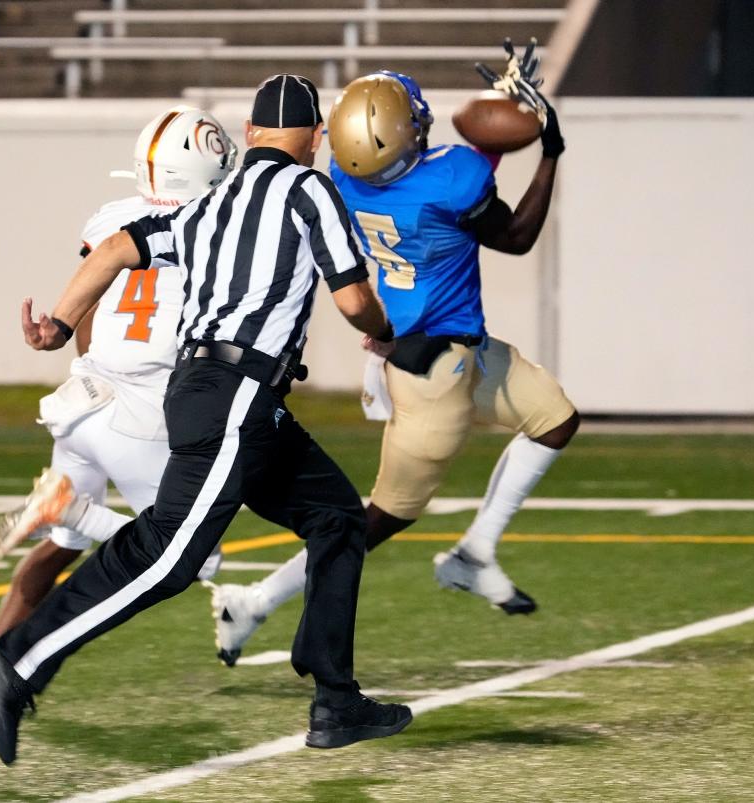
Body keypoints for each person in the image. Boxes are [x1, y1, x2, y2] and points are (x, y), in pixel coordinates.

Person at [0, 74, 412, 766]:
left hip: (226, 395)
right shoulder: (308, 189)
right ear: (314, 135)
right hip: (237, 388)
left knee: (336, 517)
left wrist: (61, 322)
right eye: (320, 134)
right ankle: (19, 662)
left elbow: (119, 246)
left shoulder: (213, 203)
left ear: (251, 135)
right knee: (171, 555)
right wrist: (385, 330)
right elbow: (355, 301)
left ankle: (336, 697)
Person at [211, 40, 579, 666]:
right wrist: (549, 150)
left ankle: (475, 552)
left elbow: (446, 177)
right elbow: (514, 236)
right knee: (371, 522)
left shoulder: (342, 182)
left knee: (555, 420)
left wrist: (497, 114)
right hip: (431, 373)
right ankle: (252, 602)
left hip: (447, 349)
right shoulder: (450, 178)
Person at [0, 105, 237, 709]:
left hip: (82, 396)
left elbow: (95, 293)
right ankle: (66, 506)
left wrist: (81, 361)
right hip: (145, 407)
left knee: (58, 546)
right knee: (199, 557)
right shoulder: (218, 229)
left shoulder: (114, 217)